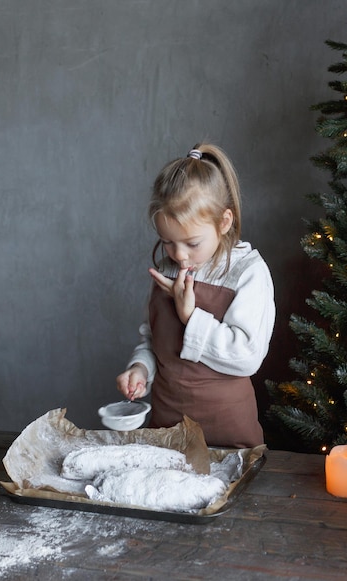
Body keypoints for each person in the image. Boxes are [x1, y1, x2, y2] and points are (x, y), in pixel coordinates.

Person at [116, 142, 275, 448]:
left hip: (228, 439)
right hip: (165, 435)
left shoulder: (248, 273)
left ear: (224, 222)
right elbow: (153, 340)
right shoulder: (167, 269)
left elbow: (247, 357)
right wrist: (140, 369)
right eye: (167, 242)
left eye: (192, 243)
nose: (179, 255)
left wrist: (190, 317)